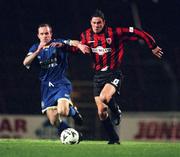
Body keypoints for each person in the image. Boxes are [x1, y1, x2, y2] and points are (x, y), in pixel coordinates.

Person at [77, 9, 163, 144]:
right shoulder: (85, 35)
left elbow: (137, 32)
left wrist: (152, 45)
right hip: (98, 76)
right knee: (101, 112)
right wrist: (78, 46)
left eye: (99, 23)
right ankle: (113, 139)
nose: (96, 25)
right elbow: (77, 46)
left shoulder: (115, 33)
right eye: (94, 23)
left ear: (104, 23)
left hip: (113, 73)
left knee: (105, 97)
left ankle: (116, 111)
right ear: (90, 23)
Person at [23, 23, 83, 138]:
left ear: (51, 34)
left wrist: (79, 45)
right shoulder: (35, 48)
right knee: (53, 121)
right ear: (38, 35)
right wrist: (37, 52)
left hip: (60, 83)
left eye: (47, 33)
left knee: (63, 111)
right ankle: (75, 135)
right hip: (46, 87)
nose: (45, 36)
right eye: (42, 34)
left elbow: (74, 42)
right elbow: (25, 62)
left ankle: (74, 113)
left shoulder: (57, 43)